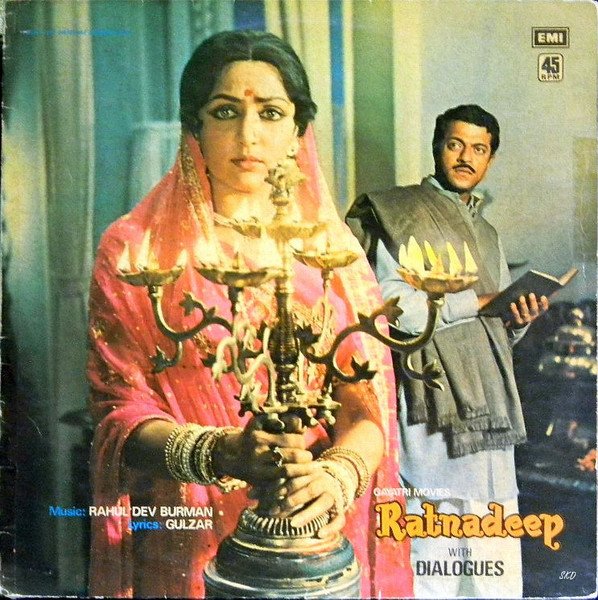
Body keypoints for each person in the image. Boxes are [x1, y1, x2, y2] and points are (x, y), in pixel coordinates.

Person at [87, 30, 412, 598]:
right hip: (187, 535)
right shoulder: (138, 251)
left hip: (314, 530)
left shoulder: (330, 253)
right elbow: (119, 414)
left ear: (298, 130)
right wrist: (221, 452)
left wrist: (335, 477)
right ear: (195, 126)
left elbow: (367, 411)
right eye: (225, 111)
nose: (248, 134)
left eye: (271, 112)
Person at [346, 104, 549, 598]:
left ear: (490, 160)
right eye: (455, 144)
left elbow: (492, 329)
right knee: (431, 568)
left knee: (494, 571)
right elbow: (394, 309)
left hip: (489, 415)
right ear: (437, 147)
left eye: (479, 149)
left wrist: (516, 320)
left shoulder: (488, 233)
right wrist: (475, 301)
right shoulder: (399, 211)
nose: (465, 157)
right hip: (432, 409)